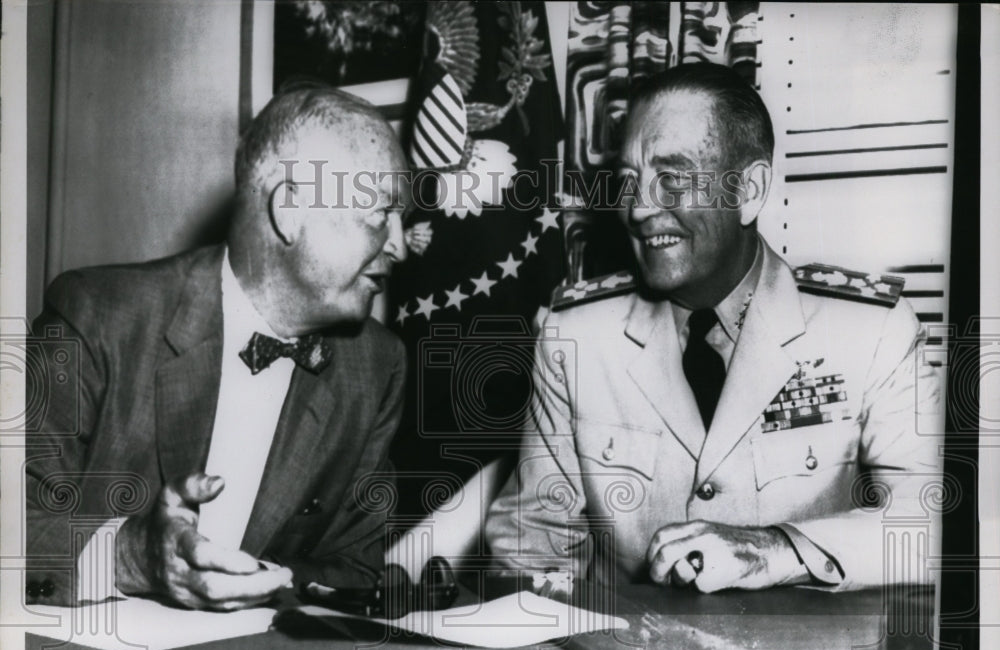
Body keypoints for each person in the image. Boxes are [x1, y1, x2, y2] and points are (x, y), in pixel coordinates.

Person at [485, 63, 943, 593]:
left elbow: (931, 525)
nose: (638, 207)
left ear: (749, 190)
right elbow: (532, 542)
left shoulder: (870, 331)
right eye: (628, 181)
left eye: (673, 179)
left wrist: (777, 549)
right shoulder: (576, 336)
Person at [25, 87, 410, 610]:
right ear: (289, 210)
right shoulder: (97, 316)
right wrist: (136, 557)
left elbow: (355, 568)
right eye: (380, 213)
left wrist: (255, 582)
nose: (399, 244)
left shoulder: (378, 366)